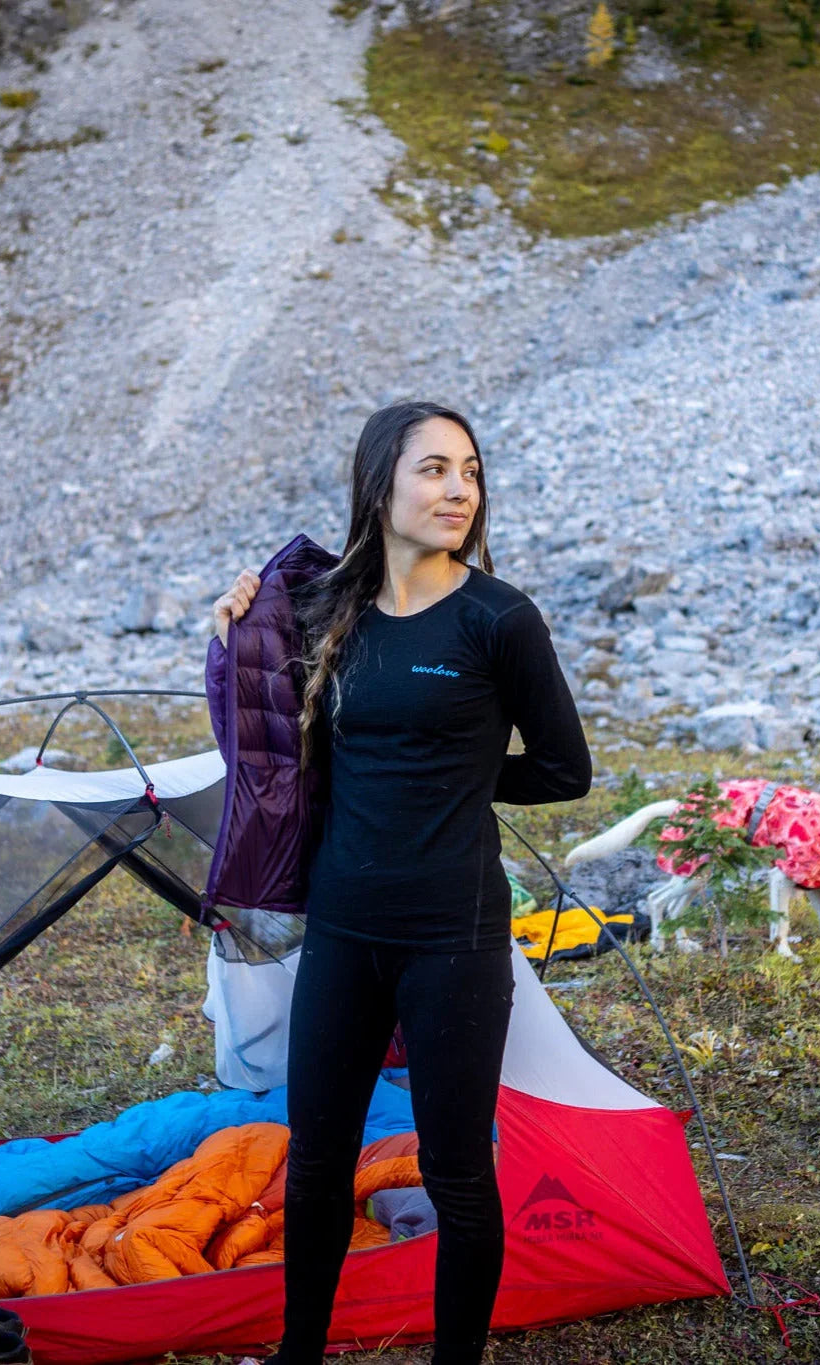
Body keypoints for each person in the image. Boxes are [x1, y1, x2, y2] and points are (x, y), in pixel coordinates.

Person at [213, 400, 592, 1365]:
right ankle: (299, 1353)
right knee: (316, 1159)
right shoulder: (323, 610)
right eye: (432, 469)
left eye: (468, 469)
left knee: (458, 1171)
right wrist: (232, 631)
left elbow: (562, 769)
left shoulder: (496, 618)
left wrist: (458, 778)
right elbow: (264, 737)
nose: (457, 488)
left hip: (451, 936)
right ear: (379, 485)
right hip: (343, 928)